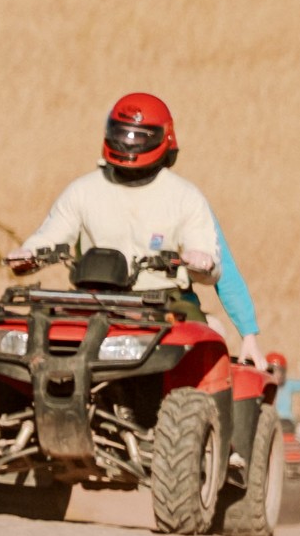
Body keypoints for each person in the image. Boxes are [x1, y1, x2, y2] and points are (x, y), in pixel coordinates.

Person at [18, 92, 263, 464]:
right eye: (122, 134)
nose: (129, 143)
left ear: (163, 139)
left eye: (139, 136)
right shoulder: (84, 190)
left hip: (166, 302)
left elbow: (217, 263)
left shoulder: (184, 198)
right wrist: (28, 253)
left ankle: (216, 446)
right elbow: (50, 234)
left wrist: (249, 333)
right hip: (94, 300)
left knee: (211, 335)